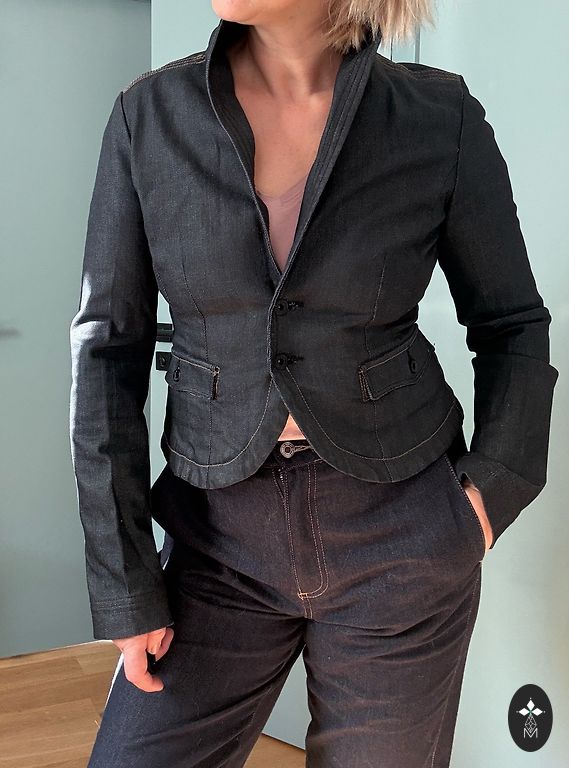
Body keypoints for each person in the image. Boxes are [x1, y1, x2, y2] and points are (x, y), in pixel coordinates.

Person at [69, 1, 558, 766]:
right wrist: (124, 580)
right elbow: (106, 350)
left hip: (400, 535)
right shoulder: (150, 117)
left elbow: (511, 324)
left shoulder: (436, 117)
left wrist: (488, 497)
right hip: (214, 539)